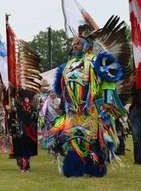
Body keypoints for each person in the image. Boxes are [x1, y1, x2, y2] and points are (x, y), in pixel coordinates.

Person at [48, 23, 128, 177]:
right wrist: (62, 104)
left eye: (78, 42)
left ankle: (95, 168)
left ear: (87, 43)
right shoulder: (67, 66)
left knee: (92, 139)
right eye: (73, 43)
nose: (74, 45)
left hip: (92, 110)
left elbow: (108, 83)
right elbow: (63, 89)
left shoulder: (97, 61)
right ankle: (75, 168)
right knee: (74, 138)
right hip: (72, 111)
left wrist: (107, 103)